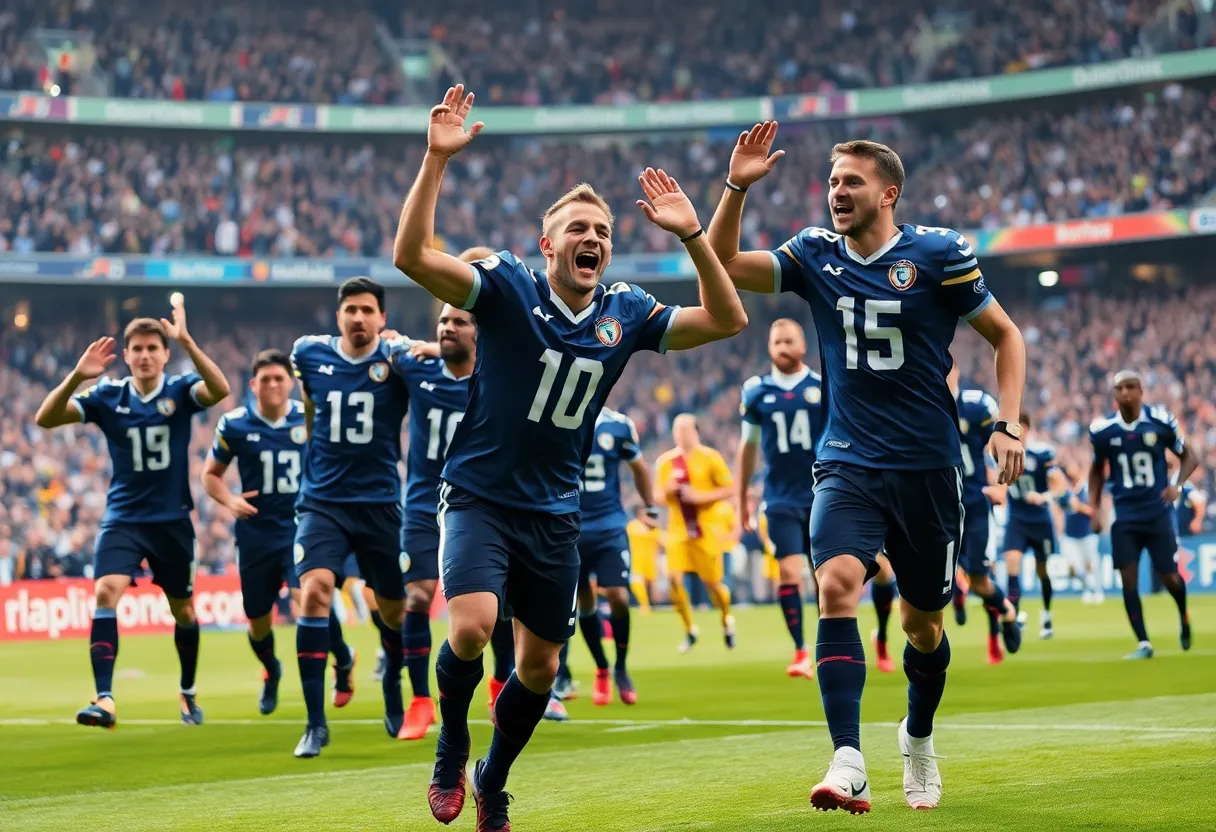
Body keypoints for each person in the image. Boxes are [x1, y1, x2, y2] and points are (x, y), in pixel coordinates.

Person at [392, 85, 748, 832]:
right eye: (577, 229)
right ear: (548, 245)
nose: (593, 239)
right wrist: (435, 160)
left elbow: (726, 317)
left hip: (558, 511)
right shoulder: (506, 287)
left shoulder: (625, 311)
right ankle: (453, 740)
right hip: (481, 496)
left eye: (604, 231)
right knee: (468, 628)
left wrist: (692, 238)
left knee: (541, 668)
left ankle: (493, 778)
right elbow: (411, 256)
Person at [708, 122, 1026, 813]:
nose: (835, 193)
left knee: (922, 626)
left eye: (850, 182)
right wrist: (736, 187)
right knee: (840, 584)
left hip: (928, 468)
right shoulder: (814, 255)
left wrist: (1007, 421)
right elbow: (726, 261)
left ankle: (916, 734)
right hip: (846, 460)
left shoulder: (940, 254)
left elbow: (1006, 335)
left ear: (889, 192)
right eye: (830, 183)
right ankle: (848, 757)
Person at [34, 304, 231, 729]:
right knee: (106, 591)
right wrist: (76, 376)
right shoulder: (108, 396)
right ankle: (104, 699)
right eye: (136, 349)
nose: (144, 355)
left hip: (172, 520)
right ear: (125, 355)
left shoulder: (179, 392)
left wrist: (189, 344)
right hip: (123, 517)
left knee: (183, 611)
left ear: (164, 354)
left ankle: (188, 690)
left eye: (152, 348)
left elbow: (219, 390)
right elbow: (45, 418)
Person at [288, 277, 415, 758]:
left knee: (392, 609)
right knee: (316, 590)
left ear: (382, 318)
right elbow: (308, 403)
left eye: (368, 310)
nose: (358, 318)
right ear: (338, 315)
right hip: (323, 502)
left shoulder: (397, 360)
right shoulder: (308, 354)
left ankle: (392, 684)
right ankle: (315, 723)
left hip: (381, 502)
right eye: (350, 310)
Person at [202, 349, 357, 715]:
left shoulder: (309, 417)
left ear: (290, 383)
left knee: (309, 597)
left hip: (302, 527)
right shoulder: (235, 424)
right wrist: (230, 501)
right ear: (253, 385)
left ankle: (342, 658)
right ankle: (272, 670)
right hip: (255, 535)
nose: (273, 385)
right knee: (258, 622)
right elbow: (210, 476)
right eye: (265, 379)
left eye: (279, 378)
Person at [1089, 370, 1198, 659]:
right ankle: (1143, 643)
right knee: (1128, 580)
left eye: (1130, 387)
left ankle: (1184, 616)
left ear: (1141, 391)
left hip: (1157, 512)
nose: (1125, 392)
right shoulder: (1103, 431)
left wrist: (1177, 485)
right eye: (1119, 388)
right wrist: (1095, 508)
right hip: (1124, 516)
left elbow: (1190, 456)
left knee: (1169, 576)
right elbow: (1096, 471)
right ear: (1113, 394)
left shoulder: (1160, 422)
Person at [736, 319, 821, 678]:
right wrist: (742, 499)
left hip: (822, 493)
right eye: (776, 342)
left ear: (802, 346)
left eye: (789, 341)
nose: (782, 347)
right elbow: (748, 447)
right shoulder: (756, 391)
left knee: (825, 577)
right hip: (780, 497)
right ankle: (801, 650)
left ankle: (829, 646)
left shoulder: (822, 386)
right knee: (788, 572)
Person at [577, 406, 656, 706]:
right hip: (572, 526)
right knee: (584, 599)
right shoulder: (560, 416)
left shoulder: (619, 425)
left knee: (618, 595)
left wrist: (649, 506)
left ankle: (621, 667)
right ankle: (601, 667)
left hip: (610, 526)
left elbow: (639, 467)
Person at [947, 364, 1022, 663]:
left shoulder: (976, 405)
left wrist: (1002, 485)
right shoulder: (918, 404)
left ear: (953, 370)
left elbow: (1002, 442)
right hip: (937, 506)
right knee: (933, 575)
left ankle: (1007, 611)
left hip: (975, 505)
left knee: (980, 579)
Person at [656, 414, 739, 652]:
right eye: (677, 430)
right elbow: (656, 497)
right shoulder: (666, 462)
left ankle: (726, 619)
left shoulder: (711, 458)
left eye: (685, 430)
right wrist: (669, 491)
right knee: (673, 579)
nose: (681, 435)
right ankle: (690, 629)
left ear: (696, 432)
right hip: (678, 530)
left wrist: (701, 497)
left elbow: (729, 489)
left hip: (707, 530)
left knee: (713, 584)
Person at [999, 412, 1067, 639]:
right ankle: (1014, 618)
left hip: (1039, 521)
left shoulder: (1041, 453)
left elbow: (1060, 486)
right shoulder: (1002, 452)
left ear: (1026, 428)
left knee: (1042, 571)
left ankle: (1046, 615)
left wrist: (1044, 497)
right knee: (1012, 563)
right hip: (1017, 518)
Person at [1058, 464, 1103, 604]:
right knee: (1072, 567)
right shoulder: (1065, 491)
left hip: (1086, 533)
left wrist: (1079, 507)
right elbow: (1061, 506)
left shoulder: (1086, 489)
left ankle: (1095, 591)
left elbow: (1092, 510)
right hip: (1069, 534)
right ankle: (1087, 588)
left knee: (1090, 565)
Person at [626, 506, 662, 614]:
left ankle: (653, 605)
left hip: (651, 559)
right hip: (636, 559)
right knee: (637, 582)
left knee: (652, 584)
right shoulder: (632, 526)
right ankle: (644, 605)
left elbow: (660, 542)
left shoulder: (654, 528)